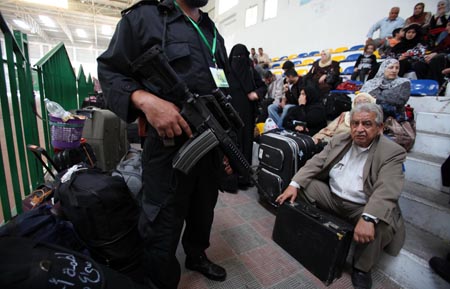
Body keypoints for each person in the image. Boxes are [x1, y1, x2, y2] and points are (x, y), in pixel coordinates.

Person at [97, 1, 233, 288]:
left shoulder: (211, 30)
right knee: (162, 221)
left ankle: (196, 255)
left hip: (209, 142)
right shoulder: (144, 18)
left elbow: (222, 86)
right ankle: (160, 281)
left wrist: (224, 145)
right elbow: (110, 72)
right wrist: (144, 100)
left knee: (203, 208)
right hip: (168, 146)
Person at [276, 103, 407, 289]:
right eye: (355, 124)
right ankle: (314, 233)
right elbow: (316, 163)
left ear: (379, 128)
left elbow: (387, 188)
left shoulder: (391, 152)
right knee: (304, 187)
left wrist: (368, 217)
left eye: (367, 124)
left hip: (362, 206)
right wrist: (293, 184)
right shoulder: (340, 140)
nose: (359, 129)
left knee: (382, 224)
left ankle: (361, 268)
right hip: (333, 196)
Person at [228, 43, 267, 184]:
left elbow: (263, 86)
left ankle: (244, 176)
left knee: (246, 143)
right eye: (236, 57)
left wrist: (257, 93)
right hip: (229, 115)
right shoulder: (226, 71)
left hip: (248, 115)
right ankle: (231, 177)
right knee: (232, 143)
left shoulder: (251, 71)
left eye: (242, 57)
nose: (238, 60)